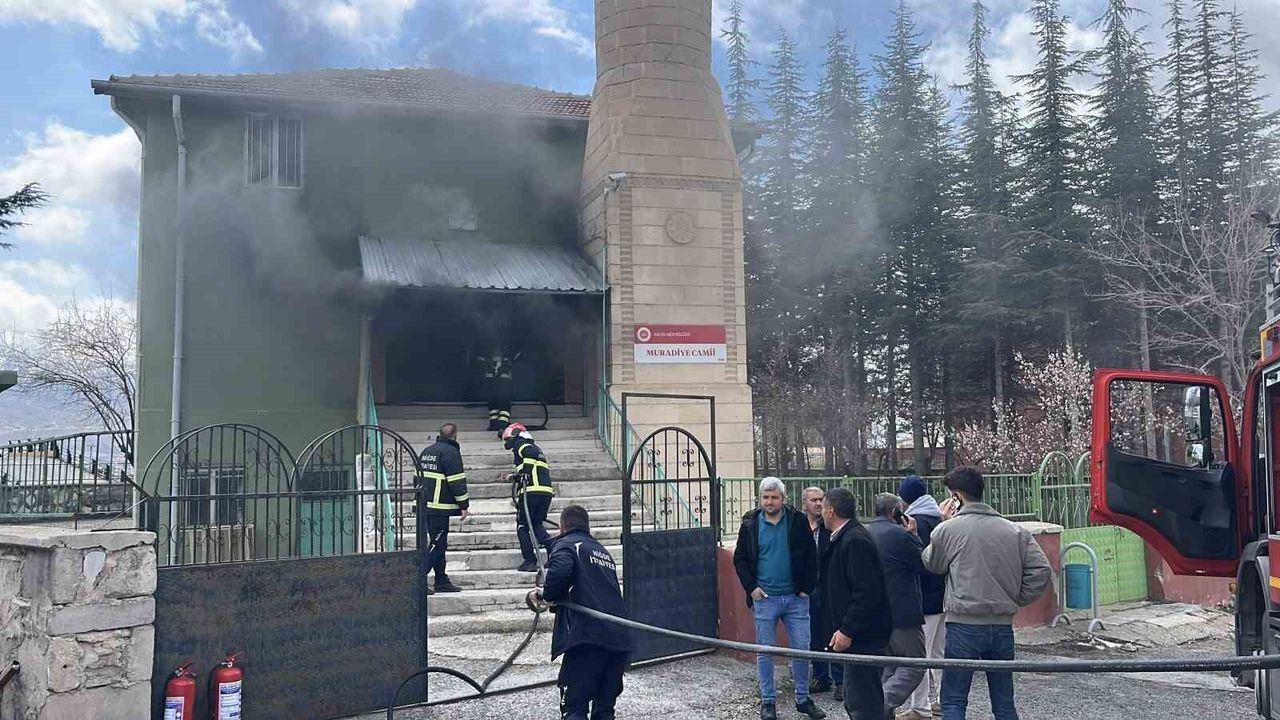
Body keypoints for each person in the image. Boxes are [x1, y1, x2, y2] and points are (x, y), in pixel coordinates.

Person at [922, 467, 1052, 720]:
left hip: (963, 624)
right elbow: (1041, 570)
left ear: (956, 496)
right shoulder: (1015, 531)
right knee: (1003, 702)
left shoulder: (948, 529)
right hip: (1002, 624)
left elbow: (933, 564)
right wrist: (1016, 597)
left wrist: (942, 522)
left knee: (954, 700)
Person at [733, 477, 827, 720]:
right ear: (760, 498)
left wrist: (806, 587)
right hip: (765, 599)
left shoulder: (796, 521)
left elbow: (811, 555)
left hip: (796, 599)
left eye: (774, 497)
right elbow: (740, 558)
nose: (769, 502)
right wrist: (751, 588)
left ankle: (803, 699)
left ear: (783, 499)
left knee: (802, 650)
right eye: (765, 497)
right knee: (765, 651)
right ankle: (768, 702)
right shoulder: (750, 523)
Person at [532, 505, 632, 720]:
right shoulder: (601, 551)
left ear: (562, 527)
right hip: (618, 640)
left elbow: (561, 571)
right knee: (604, 710)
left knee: (574, 707)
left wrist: (547, 595)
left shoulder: (568, 545)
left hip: (588, 639)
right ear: (588, 527)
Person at [819, 486, 893, 720]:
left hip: (864, 636)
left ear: (830, 511)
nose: (821, 513)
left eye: (823, 508)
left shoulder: (854, 541)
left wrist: (847, 629)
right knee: (856, 699)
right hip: (859, 635)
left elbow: (867, 593)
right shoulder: (848, 537)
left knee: (863, 703)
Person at [864, 493, 927, 720]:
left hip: (873, 612)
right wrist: (914, 535)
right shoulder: (901, 535)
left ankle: (879, 709)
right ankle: (877, 705)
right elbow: (923, 564)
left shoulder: (864, 532)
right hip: (902, 611)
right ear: (895, 512)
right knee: (915, 664)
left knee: (888, 666)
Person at [899, 475, 945, 719]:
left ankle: (920, 707)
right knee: (938, 653)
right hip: (942, 596)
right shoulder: (938, 518)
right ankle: (943, 700)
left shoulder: (915, 522)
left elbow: (919, 561)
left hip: (924, 598)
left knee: (920, 656)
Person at [802, 487, 844, 700]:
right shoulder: (799, 526)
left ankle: (841, 680)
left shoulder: (830, 526)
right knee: (814, 633)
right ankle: (820, 676)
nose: (818, 503)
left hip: (830, 586)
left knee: (833, 631)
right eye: (813, 500)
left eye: (821, 500)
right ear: (804, 503)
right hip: (809, 588)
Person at [418, 423, 469, 594]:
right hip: (439, 507)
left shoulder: (427, 451)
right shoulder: (451, 453)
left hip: (425, 505)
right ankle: (418, 579)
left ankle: (441, 580)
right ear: (455, 435)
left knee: (439, 543)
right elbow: (457, 481)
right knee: (437, 543)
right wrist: (464, 505)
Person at [504, 422, 555, 573]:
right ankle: (553, 551)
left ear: (515, 436)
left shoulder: (522, 444)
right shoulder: (536, 447)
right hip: (545, 492)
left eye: (507, 439)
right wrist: (514, 476)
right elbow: (532, 467)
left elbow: (529, 456)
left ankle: (530, 561)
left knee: (522, 526)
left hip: (531, 492)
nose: (507, 443)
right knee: (536, 523)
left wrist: (525, 473)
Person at [477, 347, 518, 432]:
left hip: (492, 390)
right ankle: (502, 426)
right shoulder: (507, 362)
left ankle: (494, 425)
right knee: (504, 408)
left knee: (493, 408)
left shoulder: (488, 363)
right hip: (503, 389)